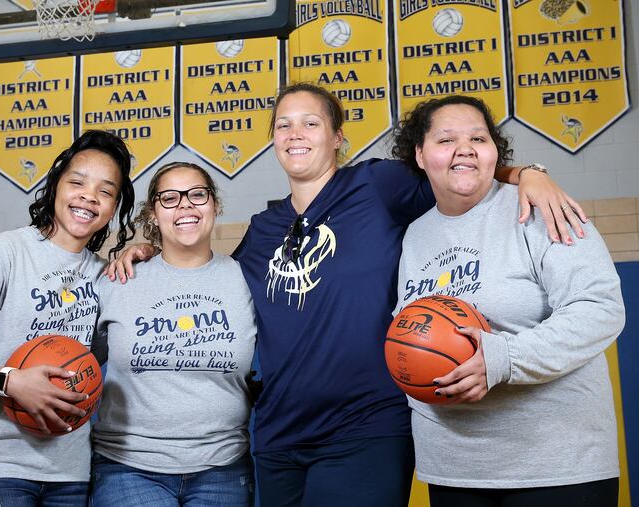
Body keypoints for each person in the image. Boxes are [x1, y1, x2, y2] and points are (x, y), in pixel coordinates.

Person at [108, 82, 588, 507]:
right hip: (278, 435)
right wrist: (150, 245)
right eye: (283, 125)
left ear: (337, 137)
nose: (295, 134)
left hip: (365, 426)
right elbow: (208, 271)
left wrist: (528, 172)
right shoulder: (263, 229)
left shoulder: (377, 185)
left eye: (310, 123)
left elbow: (456, 169)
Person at [391, 95, 624, 506]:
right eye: (446, 139)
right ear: (420, 155)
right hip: (455, 468)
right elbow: (413, 330)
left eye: (478, 138)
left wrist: (502, 359)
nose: (463, 148)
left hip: (556, 465)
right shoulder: (415, 235)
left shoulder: (539, 208)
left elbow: (600, 307)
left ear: (494, 152)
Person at [0, 130, 136, 507]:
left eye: (106, 192)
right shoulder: (4, 252)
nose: (89, 196)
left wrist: (146, 253)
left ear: (114, 209)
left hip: (70, 472)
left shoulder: (104, 276)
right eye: (77, 182)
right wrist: (12, 382)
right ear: (55, 186)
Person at [90, 162, 257, 506]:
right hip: (128, 468)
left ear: (215, 205)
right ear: (153, 213)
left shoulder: (247, 281)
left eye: (197, 194)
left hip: (222, 467)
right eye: (170, 198)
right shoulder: (118, 280)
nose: (185, 205)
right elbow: (75, 362)